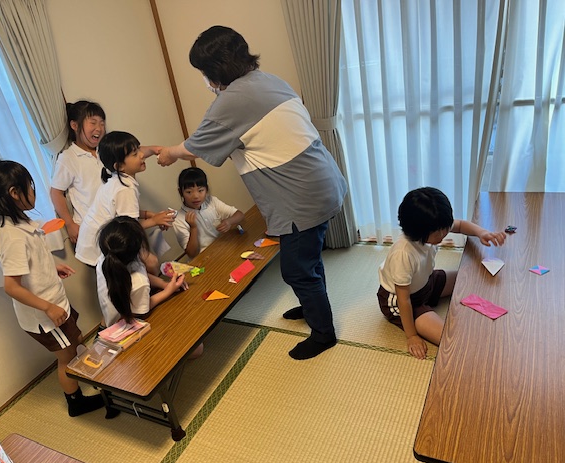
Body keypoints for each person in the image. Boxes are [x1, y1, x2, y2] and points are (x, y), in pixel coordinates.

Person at [157, 26, 348, 360]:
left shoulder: (231, 101)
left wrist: (168, 153)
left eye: (203, 72)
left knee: (297, 270)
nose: (204, 79)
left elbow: (194, 146)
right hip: (323, 182)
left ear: (214, 70)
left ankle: (323, 333)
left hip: (300, 198)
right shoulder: (269, 81)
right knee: (308, 259)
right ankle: (312, 307)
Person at [0, 160, 104, 417]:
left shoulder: (22, 225)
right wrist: (48, 307)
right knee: (66, 358)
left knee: (75, 340)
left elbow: (30, 262)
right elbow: (11, 286)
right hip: (46, 315)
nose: (33, 190)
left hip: (55, 303)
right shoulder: (11, 236)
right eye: (30, 186)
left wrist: (52, 267)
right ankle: (75, 402)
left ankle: (90, 374)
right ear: (14, 192)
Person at [377, 187, 507, 360]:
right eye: (441, 231)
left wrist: (482, 233)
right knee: (449, 339)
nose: (446, 232)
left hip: (426, 282)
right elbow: (403, 299)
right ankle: (419, 322)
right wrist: (412, 336)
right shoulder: (403, 253)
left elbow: (460, 225)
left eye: (446, 227)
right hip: (403, 300)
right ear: (421, 232)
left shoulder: (433, 226)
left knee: (467, 279)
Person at [96, 216, 203, 357]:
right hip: (124, 331)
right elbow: (141, 310)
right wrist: (167, 291)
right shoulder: (139, 282)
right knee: (197, 349)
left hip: (111, 321)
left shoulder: (105, 260)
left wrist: (164, 284)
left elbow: (138, 273)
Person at [75, 131, 174, 273]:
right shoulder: (124, 189)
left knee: (146, 262)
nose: (141, 155)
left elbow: (123, 213)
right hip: (98, 245)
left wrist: (148, 214)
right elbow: (128, 228)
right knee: (150, 262)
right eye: (135, 154)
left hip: (91, 242)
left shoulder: (117, 180)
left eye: (139, 149)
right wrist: (154, 221)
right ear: (120, 166)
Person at [50, 100, 106, 244]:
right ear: (74, 126)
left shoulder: (105, 150)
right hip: (91, 230)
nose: (99, 128)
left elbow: (131, 152)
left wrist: (154, 150)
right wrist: (69, 224)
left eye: (102, 123)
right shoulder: (68, 157)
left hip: (115, 223)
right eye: (93, 123)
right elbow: (56, 192)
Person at [173, 166, 245, 258]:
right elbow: (192, 253)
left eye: (200, 190)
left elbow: (240, 215)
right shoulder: (179, 219)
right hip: (204, 258)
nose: (196, 196)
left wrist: (228, 222)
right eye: (189, 192)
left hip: (224, 248)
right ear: (181, 192)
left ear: (206, 189)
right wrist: (193, 228)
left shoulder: (212, 201)